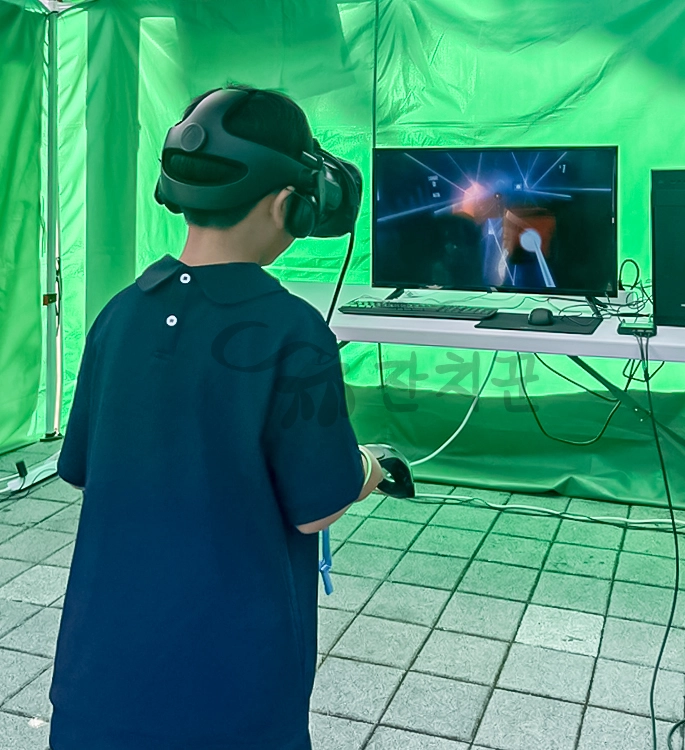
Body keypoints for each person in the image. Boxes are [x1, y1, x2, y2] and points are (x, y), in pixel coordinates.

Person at [48, 85, 384, 750]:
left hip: (98, 681)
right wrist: (370, 466)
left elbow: (84, 467)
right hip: (234, 693)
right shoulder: (294, 332)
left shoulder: (119, 313)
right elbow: (317, 508)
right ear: (293, 202)